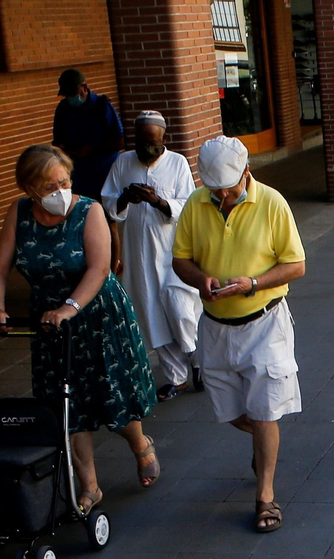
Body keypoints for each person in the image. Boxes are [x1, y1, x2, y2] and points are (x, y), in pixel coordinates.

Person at [0, 144, 159, 512]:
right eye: (49, 187)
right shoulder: (18, 214)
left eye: (64, 182)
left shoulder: (88, 210)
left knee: (112, 398)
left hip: (96, 315)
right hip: (51, 323)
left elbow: (99, 267)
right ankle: (90, 486)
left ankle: (140, 444)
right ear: (29, 189)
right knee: (67, 407)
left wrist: (69, 307)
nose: (59, 192)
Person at [171, 137, 306, 533]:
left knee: (265, 410)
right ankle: (265, 442)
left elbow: (296, 265)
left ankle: (266, 495)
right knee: (232, 412)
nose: (224, 196)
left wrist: (254, 283)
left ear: (246, 172)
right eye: (217, 190)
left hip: (265, 323)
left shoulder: (272, 203)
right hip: (215, 325)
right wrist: (201, 280)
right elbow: (180, 260)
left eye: (229, 188)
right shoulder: (196, 204)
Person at [101, 111, 202, 403]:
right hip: (139, 253)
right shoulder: (122, 162)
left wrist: (158, 201)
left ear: (164, 140)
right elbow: (107, 202)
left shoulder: (177, 163)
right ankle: (176, 378)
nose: (147, 148)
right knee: (152, 315)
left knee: (181, 308)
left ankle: (198, 362)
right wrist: (125, 199)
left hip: (174, 251)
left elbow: (188, 205)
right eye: (142, 142)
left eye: (153, 142)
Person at [51, 69, 125, 200]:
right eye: (66, 95)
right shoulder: (63, 109)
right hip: (79, 175)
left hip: (105, 172)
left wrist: (92, 150)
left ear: (84, 88)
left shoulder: (102, 106)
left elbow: (120, 141)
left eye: (72, 93)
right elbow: (57, 144)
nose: (70, 98)